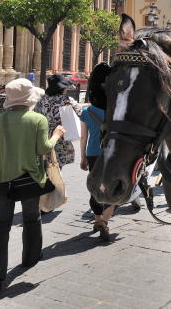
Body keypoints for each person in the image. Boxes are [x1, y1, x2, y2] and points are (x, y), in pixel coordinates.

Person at [0, 78, 65, 293]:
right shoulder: (38, 120)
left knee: (1, 226)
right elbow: (43, 148)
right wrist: (56, 136)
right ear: (29, 98)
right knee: (31, 217)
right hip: (29, 179)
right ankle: (31, 257)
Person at [79, 63, 116, 241]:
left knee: (95, 187)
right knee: (113, 189)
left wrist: (83, 157)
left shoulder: (87, 112)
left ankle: (98, 219)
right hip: (113, 154)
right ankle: (105, 221)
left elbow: (83, 138)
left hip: (93, 153)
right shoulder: (116, 110)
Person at [33, 74, 80, 169]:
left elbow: (35, 115)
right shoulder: (66, 100)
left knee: (45, 166)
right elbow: (79, 112)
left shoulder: (41, 100)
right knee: (57, 167)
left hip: (43, 137)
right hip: (61, 136)